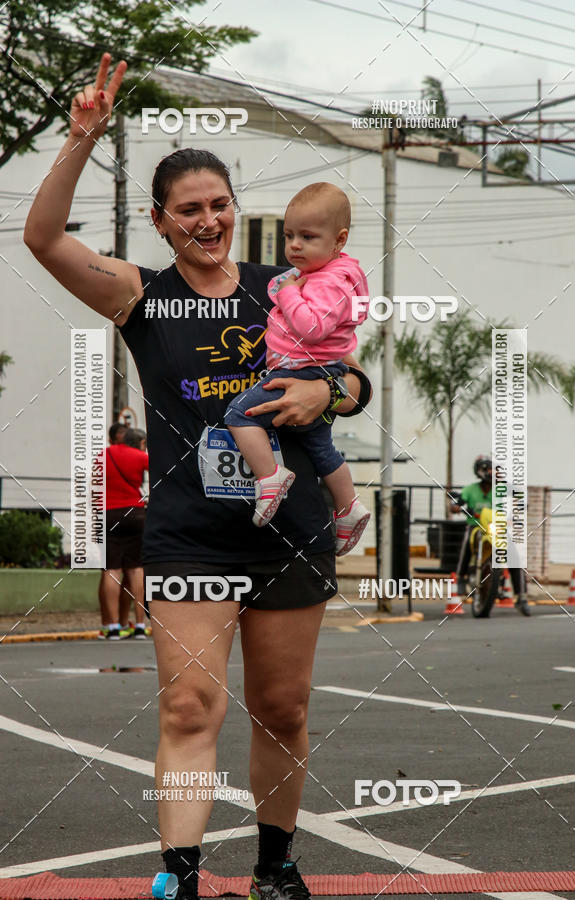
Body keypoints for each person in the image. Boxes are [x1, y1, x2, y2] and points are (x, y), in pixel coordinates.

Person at [24, 54, 372, 900]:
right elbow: (43, 240)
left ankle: (277, 865)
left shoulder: (283, 286)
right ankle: (179, 874)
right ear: (161, 220)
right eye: (190, 211)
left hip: (288, 530)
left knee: (282, 710)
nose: (208, 221)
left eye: (219, 205)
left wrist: (327, 387)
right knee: (189, 709)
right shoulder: (138, 295)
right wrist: (79, 139)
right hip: (188, 532)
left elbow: (355, 383)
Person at [225, 183, 370, 555]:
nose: (294, 246)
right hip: (321, 369)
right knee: (322, 447)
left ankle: (270, 475)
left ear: (339, 240)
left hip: (301, 370)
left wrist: (289, 291)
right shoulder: (332, 275)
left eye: (307, 236)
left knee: (240, 414)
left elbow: (311, 327)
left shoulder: (327, 283)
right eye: (289, 235)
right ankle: (349, 506)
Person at [451, 455, 530, 616]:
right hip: (476, 527)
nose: (491, 472)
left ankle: (521, 597)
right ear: (479, 471)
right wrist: (457, 505)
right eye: (487, 469)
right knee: (467, 543)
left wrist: (519, 508)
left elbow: (519, 496)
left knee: (514, 557)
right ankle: (460, 578)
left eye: (493, 469)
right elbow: (456, 504)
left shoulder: (501, 487)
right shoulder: (470, 489)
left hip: (497, 528)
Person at [97, 425, 150, 640]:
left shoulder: (104, 454)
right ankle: (139, 624)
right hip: (136, 514)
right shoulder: (141, 456)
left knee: (111, 570)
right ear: (139, 442)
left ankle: (112, 628)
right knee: (136, 570)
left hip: (108, 514)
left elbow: (94, 486)